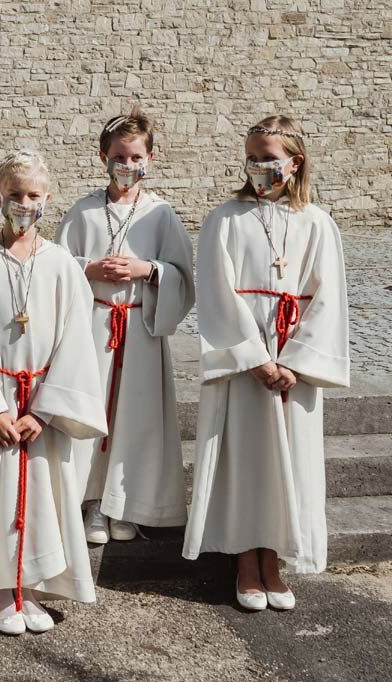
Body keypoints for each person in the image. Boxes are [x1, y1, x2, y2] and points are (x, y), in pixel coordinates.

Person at [0, 151, 107, 635]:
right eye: (13, 195)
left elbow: (77, 340)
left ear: (48, 200)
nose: (23, 204)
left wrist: (46, 411)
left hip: (44, 401)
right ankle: (3, 591)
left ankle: (33, 588)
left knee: (46, 496)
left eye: (32, 196)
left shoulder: (65, 268)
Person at [182, 116, 350, 611]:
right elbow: (215, 291)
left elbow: (329, 298)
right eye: (252, 158)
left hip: (292, 367)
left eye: (269, 158)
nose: (259, 167)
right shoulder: (225, 218)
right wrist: (253, 357)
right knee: (247, 463)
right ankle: (245, 562)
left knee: (290, 466)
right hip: (246, 366)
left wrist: (294, 362)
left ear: (294, 163)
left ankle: (275, 560)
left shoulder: (317, 222)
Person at [55, 107, 195, 544]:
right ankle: (93, 502)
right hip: (93, 326)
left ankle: (126, 506)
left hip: (139, 331)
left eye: (136, 157)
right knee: (93, 413)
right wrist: (88, 266)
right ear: (103, 157)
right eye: (119, 156)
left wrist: (147, 269)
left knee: (136, 419)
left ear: (151, 159)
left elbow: (183, 275)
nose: (127, 165)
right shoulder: (84, 212)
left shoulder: (161, 214)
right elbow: (56, 268)